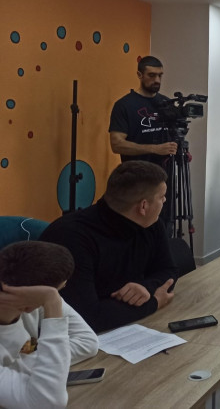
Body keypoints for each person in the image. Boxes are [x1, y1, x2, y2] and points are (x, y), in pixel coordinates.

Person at [39, 161, 177, 333]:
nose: (165, 201)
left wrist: (146, 287)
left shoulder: (151, 224)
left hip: (122, 326)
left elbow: (168, 270)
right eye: (161, 197)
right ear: (143, 206)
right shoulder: (71, 237)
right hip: (68, 336)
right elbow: (86, 317)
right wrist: (153, 303)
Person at [0, 241, 99, 409]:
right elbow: (47, 401)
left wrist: (25, 365)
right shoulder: (44, 299)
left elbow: (87, 342)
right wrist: (52, 302)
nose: (56, 298)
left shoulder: (32, 297)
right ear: (29, 305)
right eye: (57, 292)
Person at [108, 56, 177, 166]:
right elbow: (117, 144)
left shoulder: (167, 103)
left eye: (160, 75)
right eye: (152, 75)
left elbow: (175, 136)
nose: (157, 80)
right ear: (140, 75)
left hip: (165, 173)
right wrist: (154, 149)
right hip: (136, 172)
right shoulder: (124, 105)